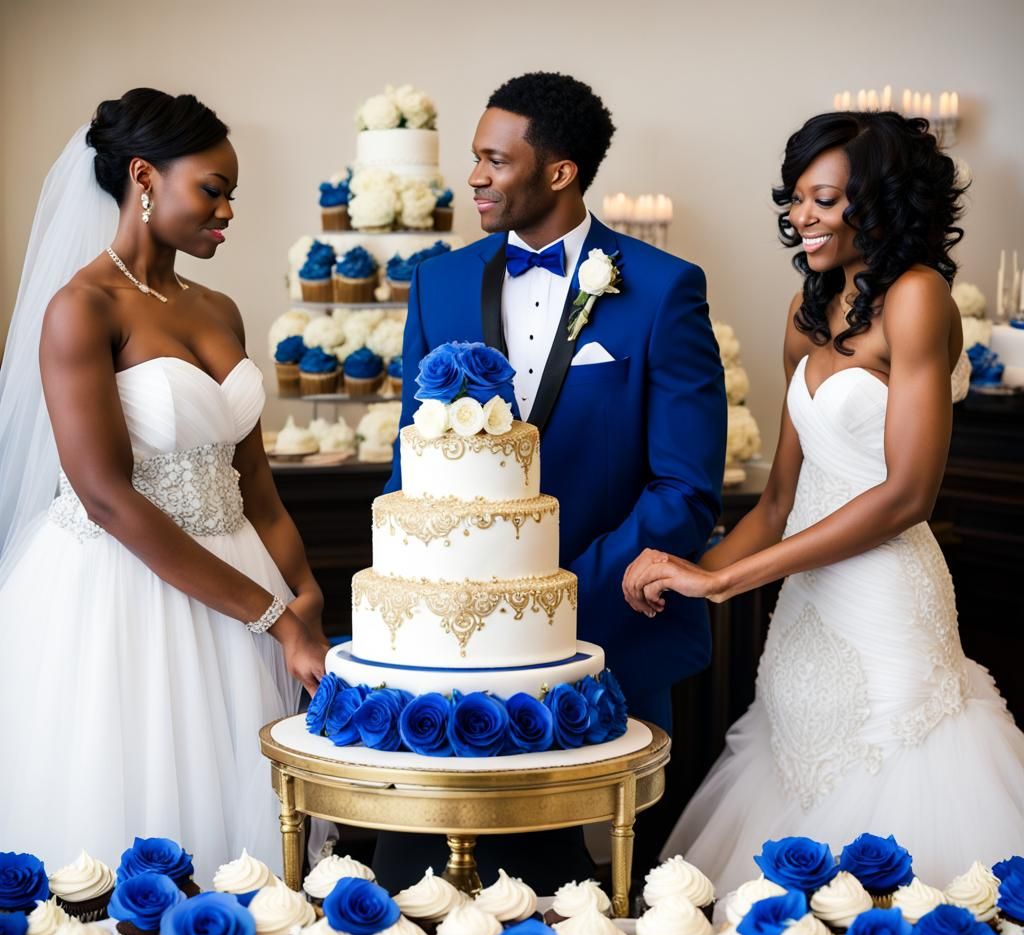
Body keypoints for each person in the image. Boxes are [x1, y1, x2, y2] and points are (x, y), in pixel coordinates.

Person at [624, 111, 1024, 893]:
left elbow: (908, 493)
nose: (799, 216)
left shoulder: (917, 296)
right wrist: (689, 571)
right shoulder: (807, 311)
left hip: (888, 610)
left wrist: (730, 583)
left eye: (824, 199)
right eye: (797, 198)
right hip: (805, 614)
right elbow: (778, 501)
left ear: (878, 203)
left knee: (896, 819)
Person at [372, 71, 727, 892]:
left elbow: (685, 489)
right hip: (450, 661)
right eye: (474, 159)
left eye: (494, 160)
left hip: (608, 641)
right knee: (432, 880)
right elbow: (409, 461)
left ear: (559, 171)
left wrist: (556, 599)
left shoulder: (664, 288)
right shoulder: (439, 283)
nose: (475, 177)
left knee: (599, 896)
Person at [0, 89, 327, 883]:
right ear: (144, 177)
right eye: (212, 189)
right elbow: (108, 498)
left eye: (232, 195)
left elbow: (253, 482)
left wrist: (305, 591)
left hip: (246, 586)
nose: (228, 210)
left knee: (248, 829)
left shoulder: (218, 308)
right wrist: (275, 617)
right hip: (122, 594)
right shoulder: (80, 308)